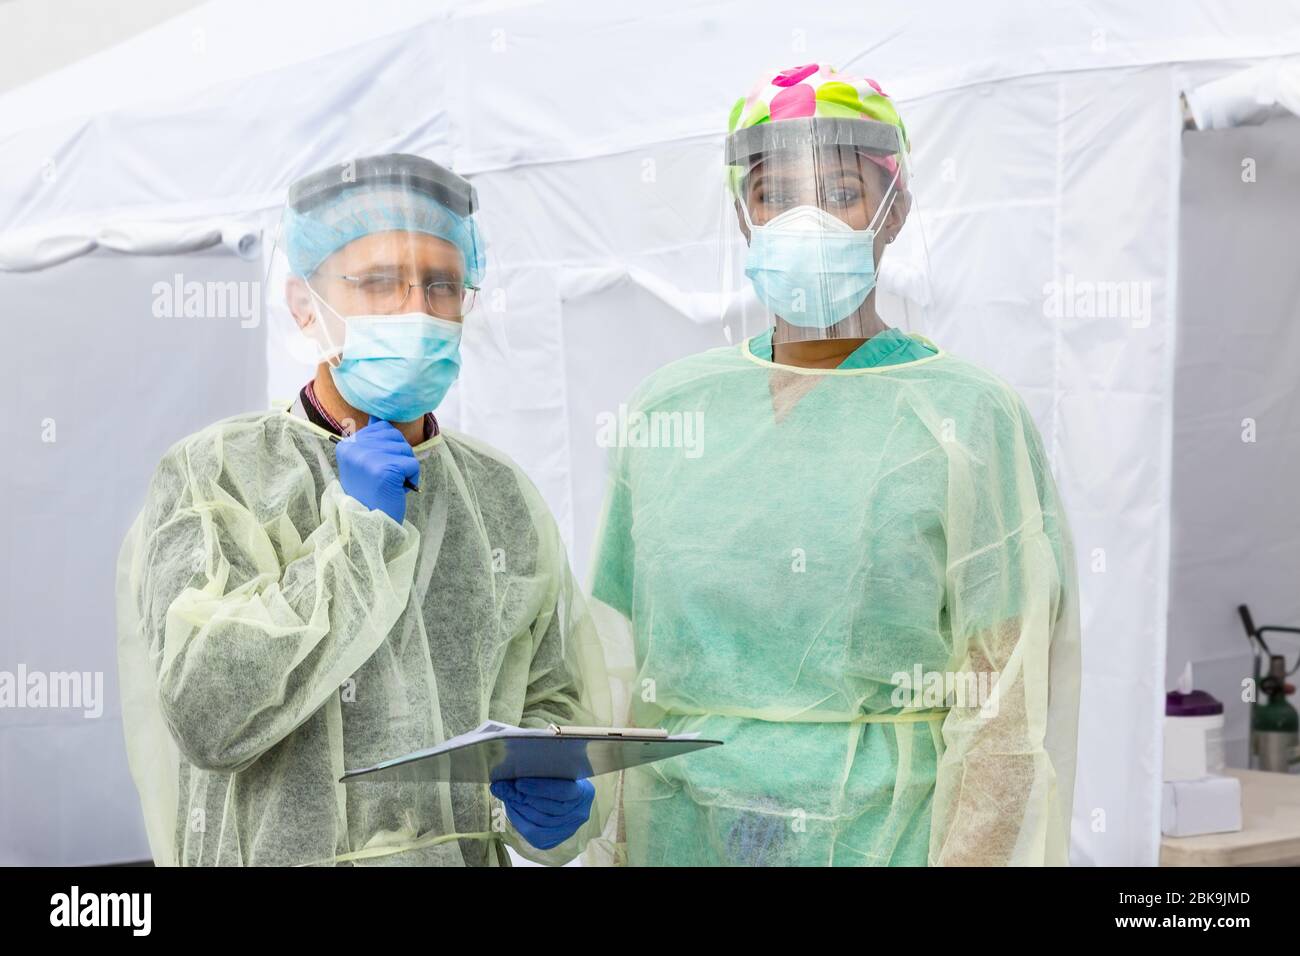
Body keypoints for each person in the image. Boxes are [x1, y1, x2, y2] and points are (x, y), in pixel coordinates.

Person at [590, 65, 1081, 865]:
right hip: (680, 831)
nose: (804, 218)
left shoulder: (963, 416)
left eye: (841, 192)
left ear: (895, 213)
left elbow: (1005, 704)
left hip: (884, 837)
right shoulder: (670, 410)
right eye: (775, 194)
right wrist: (601, 833)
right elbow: (614, 660)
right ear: (745, 216)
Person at [116, 153, 613, 866]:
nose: (416, 308)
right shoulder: (219, 473)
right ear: (304, 303)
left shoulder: (499, 499)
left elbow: (552, 700)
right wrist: (358, 534)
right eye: (378, 282)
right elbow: (205, 714)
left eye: (440, 284)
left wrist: (555, 793)